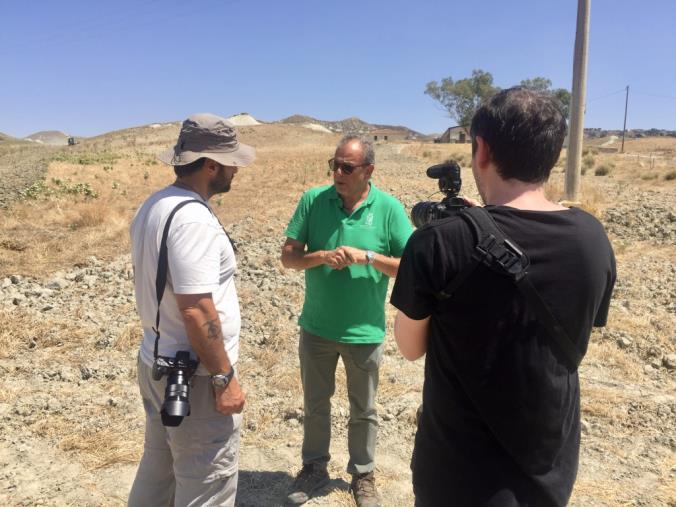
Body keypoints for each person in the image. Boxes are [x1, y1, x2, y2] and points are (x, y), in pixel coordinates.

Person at [391, 88, 616, 507]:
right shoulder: (592, 239)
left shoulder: (436, 243)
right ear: (552, 153)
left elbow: (408, 347)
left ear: (481, 149)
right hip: (548, 472)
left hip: (457, 479)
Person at [128, 113, 255, 507]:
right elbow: (198, 310)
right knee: (207, 486)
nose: (236, 170)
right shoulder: (193, 220)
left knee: (159, 470)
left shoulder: (156, 204)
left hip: (157, 361)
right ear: (211, 165)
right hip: (194, 378)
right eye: (230, 161)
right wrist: (223, 378)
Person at [280, 135, 413, 507]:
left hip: (364, 332)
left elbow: (411, 267)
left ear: (368, 170)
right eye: (334, 165)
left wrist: (367, 257)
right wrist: (319, 256)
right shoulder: (313, 201)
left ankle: (363, 474)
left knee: (364, 409)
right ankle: (313, 467)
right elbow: (289, 257)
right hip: (317, 328)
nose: (337, 172)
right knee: (315, 404)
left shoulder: (388, 209)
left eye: (347, 167)